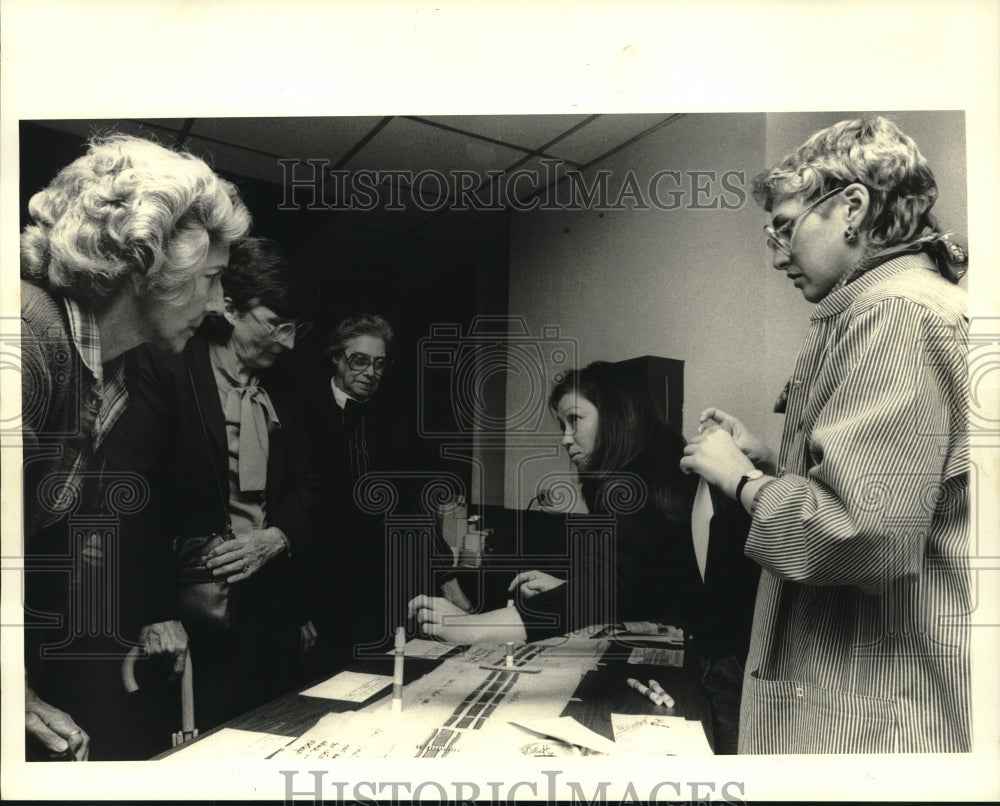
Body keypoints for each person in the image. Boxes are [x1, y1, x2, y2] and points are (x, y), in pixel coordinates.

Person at [679, 115, 970, 754]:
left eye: (784, 226)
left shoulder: (892, 315)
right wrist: (775, 469)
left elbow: (867, 539)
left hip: (870, 719)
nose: (777, 252)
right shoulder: (900, 305)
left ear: (852, 208)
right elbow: (885, 503)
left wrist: (742, 479)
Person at [20, 134, 251, 760]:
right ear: (149, 266)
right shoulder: (27, 341)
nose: (216, 307)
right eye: (210, 280)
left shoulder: (105, 365)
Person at [409, 362, 760, 752]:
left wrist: (467, 628)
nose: (565, 439)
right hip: (726, 652)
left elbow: (602, 591)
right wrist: (569, 588)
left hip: (730, 661)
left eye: (575, 420)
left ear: (615, 415)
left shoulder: (634, 480)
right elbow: (642, 584)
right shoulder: (656, 463)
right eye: (562, 425)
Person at [107, 237, 319, 734]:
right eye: (277, 324)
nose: (288, 342)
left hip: (271, 613)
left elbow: (309, 484)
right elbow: (133, 496)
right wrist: (156, 612)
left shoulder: (287, 386)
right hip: (191, 617)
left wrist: (275, 539)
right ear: (229, 307)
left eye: (297, 329)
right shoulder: (169, 366)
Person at [299, 313, 402, 673]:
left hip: (378, 594)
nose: (371, 372)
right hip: (318, 595)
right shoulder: (302, 413)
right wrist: (296, 609)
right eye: (360, 360)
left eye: (379, 364)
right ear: (336, 358)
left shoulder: (389, 421)